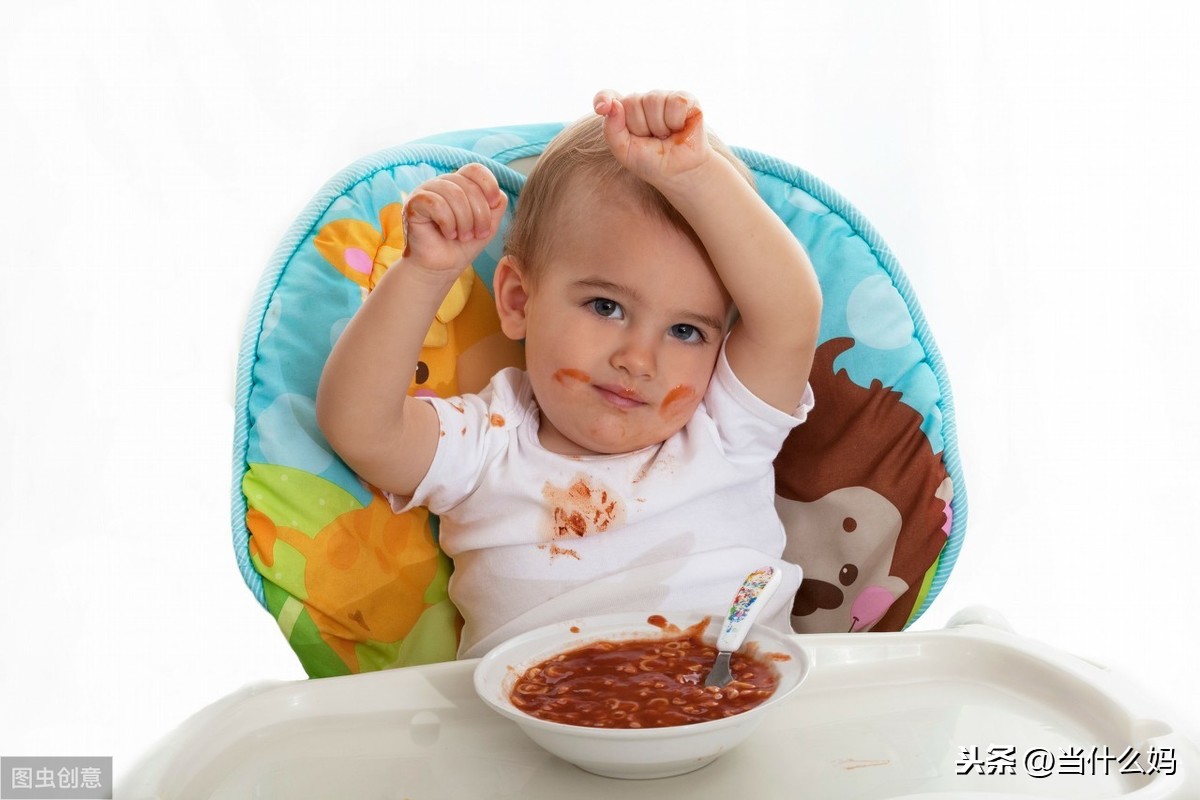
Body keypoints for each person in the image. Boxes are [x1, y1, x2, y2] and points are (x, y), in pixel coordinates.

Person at [316, 90, 822, 658]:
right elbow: (361, 427)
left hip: (743, 706)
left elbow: (790, 317)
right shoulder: (488, 445)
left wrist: (698, 176)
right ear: (516, 300)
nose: (638, 359)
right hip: (531, 730)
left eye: (686, 331)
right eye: (606, 306)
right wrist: (424, 274)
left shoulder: (725, 427)